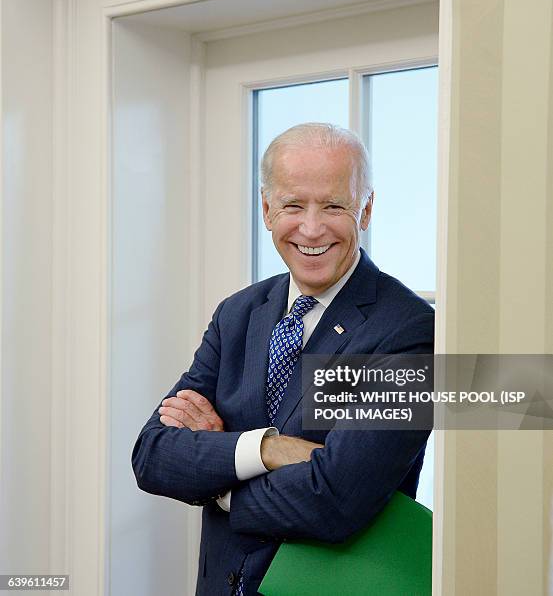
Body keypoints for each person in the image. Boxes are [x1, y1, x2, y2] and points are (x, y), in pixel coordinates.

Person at [132, 123, 434, 596]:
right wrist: (266, 449)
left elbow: (336, 499)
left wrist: (218, 474)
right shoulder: (238, 312)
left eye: (334, 205)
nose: (311, 229)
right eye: (293, 205)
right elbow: (151, 456)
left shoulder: (409, 331)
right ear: (268, 208)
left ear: (367, 210)